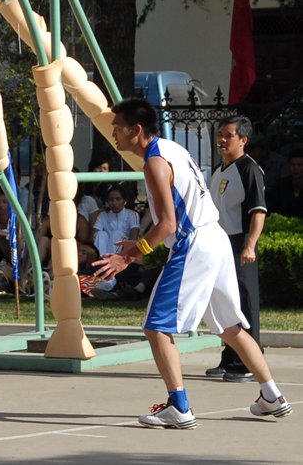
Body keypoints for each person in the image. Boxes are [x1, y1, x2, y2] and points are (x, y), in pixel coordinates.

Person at [95, 97, 293, 429]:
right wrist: (139, 245)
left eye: (117, 127)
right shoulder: (171, 148)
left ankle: (179, 407)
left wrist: (127, 257)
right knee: (230, 327)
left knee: (156, 327)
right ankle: (272, 396)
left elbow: (168, 224)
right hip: (214, 238)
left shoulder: (154, 162)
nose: (113, 133)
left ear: (136, 129)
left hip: (195, 244)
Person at [206, 116, 268, 382]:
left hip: (239, 242)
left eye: (228, 135)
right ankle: (230, 357)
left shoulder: (249, 169)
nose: (221, 140)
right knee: (225, 300)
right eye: (220, 134)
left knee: (245, 300)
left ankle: (249, 363)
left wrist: (250, 245)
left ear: (243, 140)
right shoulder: (218, 171)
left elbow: (258, 211)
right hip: (218, 243)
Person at [91, 185, 140, 255]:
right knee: (100, 234)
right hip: (106, 247)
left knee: (116, 233)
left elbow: (134, 238)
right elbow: (94, 235)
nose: (114, 203)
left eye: (118, 199)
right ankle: (103, 258)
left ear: (125, 201)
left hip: (125, 248)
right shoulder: (103, 215)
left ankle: (111, 258)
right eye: (111, 200)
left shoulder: (132, 215)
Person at [266, 149, 303, 219]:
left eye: (300, 165)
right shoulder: (280, 185)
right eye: (293, 165)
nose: (296, 168)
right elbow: (269, 205)